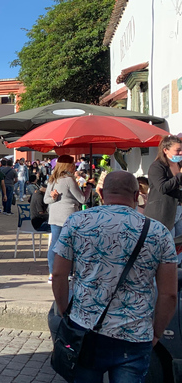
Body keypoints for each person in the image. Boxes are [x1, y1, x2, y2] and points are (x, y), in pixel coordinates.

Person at [52, 171, 177, 381]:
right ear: (137, 194)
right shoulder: (158, 231)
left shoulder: (77, 222)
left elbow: (58, 274)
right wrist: (156, 333)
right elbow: (168, 294)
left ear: (101, 193)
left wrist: (66, 312)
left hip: (85, 328)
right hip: (135, 334)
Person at [44, 155, 91, 283]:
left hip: (54, 216)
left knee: (54, 244)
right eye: (73, 164)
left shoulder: (53, 179)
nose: (74, 166)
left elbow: (46, 200)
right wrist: (89, 188)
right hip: (68, 216)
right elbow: (82, 199)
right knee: (69, 245)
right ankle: (68, 272)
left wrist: (53, 197)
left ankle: (52, 273)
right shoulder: (69, 180)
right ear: (68, 165)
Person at [146, 135, 182, 232]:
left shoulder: (179, 164)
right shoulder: (157, 166)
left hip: (178, 210)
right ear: (166, 150)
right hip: (162, 214)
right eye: (177, 150)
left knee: (177, 245)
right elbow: (162, 187)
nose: (181, 153)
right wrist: (179, 175)